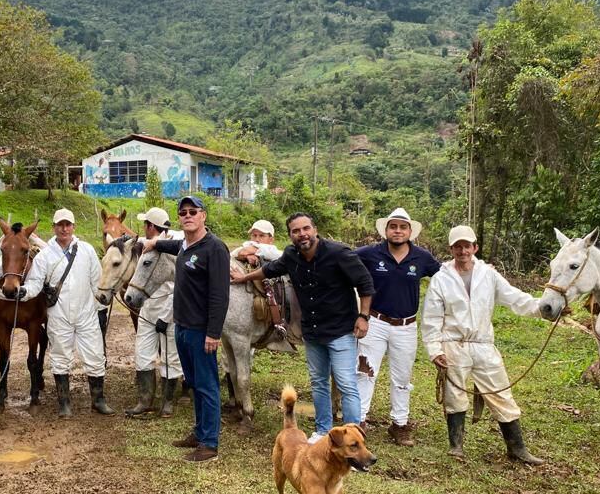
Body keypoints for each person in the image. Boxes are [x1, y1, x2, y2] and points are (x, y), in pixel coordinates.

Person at [232, 213, 373, 443]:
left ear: (314, 229)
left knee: (346, 384)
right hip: (313, 331)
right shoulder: (291, 255)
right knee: (318, 383)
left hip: (340, 331)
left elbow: (365, 283)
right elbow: (269, 270)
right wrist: (244, 278)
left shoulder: (339, 253)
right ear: (290, 235)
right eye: (295, 231)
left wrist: (363, 316)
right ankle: (322, 430)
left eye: (305, 228)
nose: (302, 234)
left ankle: (353, 438)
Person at [420, 225, 544, 465]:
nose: (462, 251)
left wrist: (543, 308)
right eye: (458, 246)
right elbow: (431, 318)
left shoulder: (488, 275)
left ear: (475, 248)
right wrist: (435, 350)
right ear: (451, 249)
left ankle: (517, 448)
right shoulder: (441, 279)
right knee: (454, 393)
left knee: (500, 391)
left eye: (467, 246)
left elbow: (514, 298)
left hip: (483, 343)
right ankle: (456, 446)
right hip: (453, 343)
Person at [143, 196, 230, 463]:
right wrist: (153, 242)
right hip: (181, 326)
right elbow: (170, 244)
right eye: (183, 213)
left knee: (207, 385)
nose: (188, 216)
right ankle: (200, 431)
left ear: (203, 215)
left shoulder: (214, 249)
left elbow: (219, 295)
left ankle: (209, 443)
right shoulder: (184, 244)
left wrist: (213, 333)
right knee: (193, 383)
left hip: (201, 330)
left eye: (193, 211)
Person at [354, 208, 441, 446]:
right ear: (386, 230)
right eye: (393, 226)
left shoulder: (422, 257)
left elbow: (446, 274)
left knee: (402, 377)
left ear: (410, 231)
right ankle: (358, 422)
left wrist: (480, 268)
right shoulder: (371, 253)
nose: (398, 231)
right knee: (365, 372)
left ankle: (399, 424)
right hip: (375, 321)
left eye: (403, 227)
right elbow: (343, 259)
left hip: (406, 325)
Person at [22, 208, 111, 418]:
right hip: (59, 314)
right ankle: (64, 403)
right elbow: (35, 283)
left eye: (67, 224)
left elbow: (96, 282)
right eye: (60, 224)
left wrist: (101, 310)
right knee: (60, 357)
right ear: (54, 227)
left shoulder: (87, 250)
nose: (64, 228)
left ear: (73, 227)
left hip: (86, 312)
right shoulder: (44, 256)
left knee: (95, 356)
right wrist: (23, 292)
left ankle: (98, 400)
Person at [126, 206, 184, 418]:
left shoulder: (174, 247)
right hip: (147, 311)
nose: (143, 228)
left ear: (151, 226)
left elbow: (179, 287)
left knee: (171, 357)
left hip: (169, 313)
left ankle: (168, 402)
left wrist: (166, 317)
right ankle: (145, 400)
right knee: (143, 354)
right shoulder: (148, 245)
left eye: (145, 224)